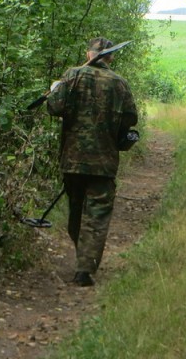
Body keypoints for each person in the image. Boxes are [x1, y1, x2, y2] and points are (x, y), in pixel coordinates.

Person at [47, 37, 138, 287]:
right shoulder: (119, 83)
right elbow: (130, 118)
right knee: (96, 215)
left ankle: (83, 261)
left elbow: (54, 108)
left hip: (73, 159)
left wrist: (56, 88)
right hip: (103, 162)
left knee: (76, 210)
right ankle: (84, 268)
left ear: (89, 54)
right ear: (109, 57)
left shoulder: (72, 75)